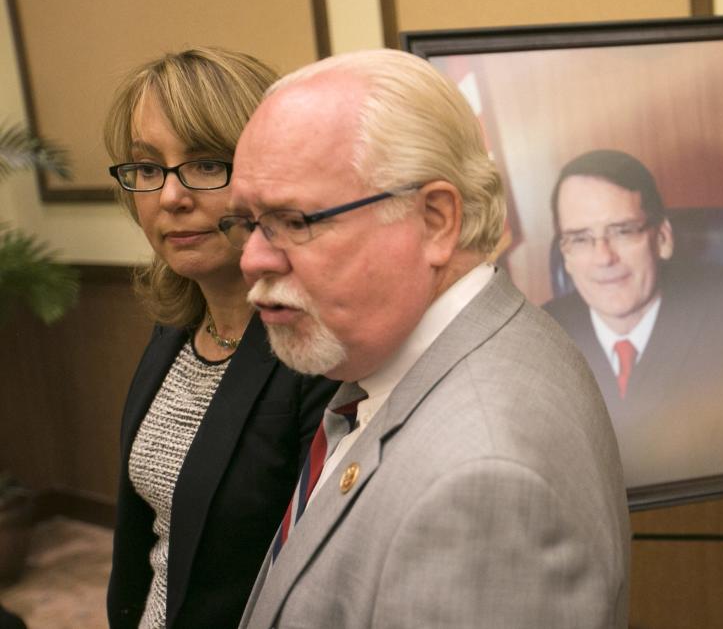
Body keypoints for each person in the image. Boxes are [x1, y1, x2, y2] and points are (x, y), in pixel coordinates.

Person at [217, 49, 631, 628]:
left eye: (296, 221)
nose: (253, 258)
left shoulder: (483, 484)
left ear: (435, 219)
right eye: (247, 223)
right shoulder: (471, 335)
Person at [102, 48, 338, 629]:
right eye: (148, 168)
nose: (170, 197)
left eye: (207, 163)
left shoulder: (317, 354)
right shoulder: (177, 325)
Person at [543, 149, 723, 487]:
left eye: (623, 231)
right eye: (580, 239)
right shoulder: (539, 338)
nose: (603, 257)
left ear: (662, 239)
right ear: (566, 256)